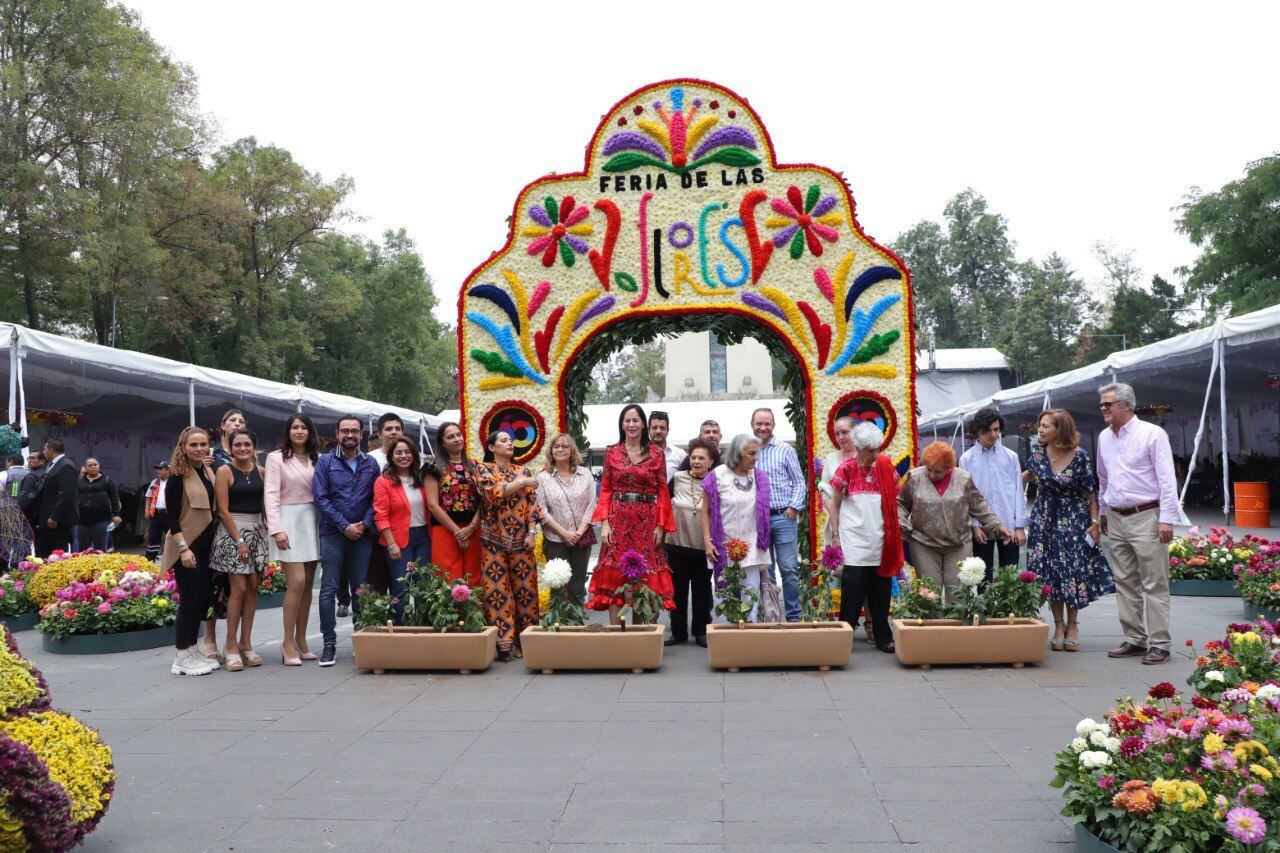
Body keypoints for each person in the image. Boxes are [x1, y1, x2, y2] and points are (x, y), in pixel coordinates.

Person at [1096, 382, 1180, 666]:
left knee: (1154, 582)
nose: (1103, 409)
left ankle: (1160, 644)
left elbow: (1168, 480)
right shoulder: (1104, 438)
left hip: (1147, 515)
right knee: (1124, 580)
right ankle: (1134, 638)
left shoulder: (1152, 434)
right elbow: (1103, 478)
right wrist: (1104, 512)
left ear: (1127, 405)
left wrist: (1167, 519)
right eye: (1102, 404)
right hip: (1117, 517)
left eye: (1108, 404)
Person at [1024, 409, 1114, 653]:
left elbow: (1090, 494)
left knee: (1071, 572)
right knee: (1050, 573)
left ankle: (1073, 625)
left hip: (1073, 520)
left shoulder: (1080, 456)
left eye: (1045, 426)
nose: (1040, 430)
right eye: (1040, 425)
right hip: (1044, 521)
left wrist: (1095, 524)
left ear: (1059, 430)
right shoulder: (1039, 454)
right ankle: (1058, 625)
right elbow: (1020, 479)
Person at [588, 404, 676, 622]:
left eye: (636, 420)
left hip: (647, 521)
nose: (631, 425)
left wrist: (660, 525)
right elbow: (606, 489)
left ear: (643, 424)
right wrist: (605, 523)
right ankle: (617, 639)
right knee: (616, 578)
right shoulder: (612, 452)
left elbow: (663, 490)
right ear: (622, 424)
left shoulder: (656, 453)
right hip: (618, 520)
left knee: (644, 580)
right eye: (627, 420)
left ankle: (640, 638)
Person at [830, 422, 905, 654]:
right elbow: (835, 502)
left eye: (877, 449)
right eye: (870, 450)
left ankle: (883, 636)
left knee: (881, 588)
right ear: (859, 447)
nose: (875, 454)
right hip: (854, 535)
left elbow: (895, 496)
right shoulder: (847, 468)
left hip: (880, 534)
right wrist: (835, 535)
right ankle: (844, 635)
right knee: (853, 586)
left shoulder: (884, 465)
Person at [312, 415, 379, 667]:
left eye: (354, 431)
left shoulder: (371, 464)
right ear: (337, 433)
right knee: (328, 589)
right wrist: (344, 525)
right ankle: (329, 644)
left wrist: (364, 524)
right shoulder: (326, 462)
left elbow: (376, 499)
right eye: (345, 431)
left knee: (360, 588)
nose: (350, 435)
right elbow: (320, 498)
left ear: (361, 434)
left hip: (362, 535)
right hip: (333, 534)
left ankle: (360, 640)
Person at [899, 441, 1010, 589]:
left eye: (937, 471)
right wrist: (902, 524)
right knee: (930, 594)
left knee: (958, 594)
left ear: (949, 468)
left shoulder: (963, 478)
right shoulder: (915, 477)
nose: (932, 475)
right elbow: (901, 503)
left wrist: (998, 525)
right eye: (929, 469)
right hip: (923, 544)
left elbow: (979, 506)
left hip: (959, 544)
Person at [476, 430, 540, 660]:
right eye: (503, 440)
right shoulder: (484, 470)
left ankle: (528, 642)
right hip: (493, 542)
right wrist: (521, 482)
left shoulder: (523, 470)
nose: (509, 443)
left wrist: (532, 532)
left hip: (522, 540)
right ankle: (504, 645)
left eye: (511, 440)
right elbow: (493, 494)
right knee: (497, 593)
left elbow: (534, 505)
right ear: (492, 448)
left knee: (526, 592)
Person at [163, 427, 220, 676]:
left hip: (207, 545)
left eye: (203, 444)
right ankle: (181, 654)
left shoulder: (207, 471)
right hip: (187, 545)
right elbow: (172, 517)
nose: (199, 449)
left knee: (201, 599)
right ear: (183, 447)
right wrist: (183, 548)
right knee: (188, 600)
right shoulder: (177, 475)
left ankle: (192, 649)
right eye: (193, 445)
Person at [265, 415, 321, 666]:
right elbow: (271, 495)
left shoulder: (316, 458)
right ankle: (287, 641)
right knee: (296, 582)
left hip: (312, 521)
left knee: (308, 585)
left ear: (310, 432)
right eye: (295, 427)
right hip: (288, 522)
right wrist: (277, 529)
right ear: (288, 431)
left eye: (304, 428)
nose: (299, 431)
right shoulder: (276, 458)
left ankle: (301, 639)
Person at [700, 434, 775, 621]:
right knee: (726, 598)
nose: (755, 458)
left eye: (756, 453)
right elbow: (705, 512)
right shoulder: (717, 475)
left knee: (751, 598)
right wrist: (708, 543)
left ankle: (749, 642)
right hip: (724, 547)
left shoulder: (759, 478)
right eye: (751, 453)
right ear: (738, 453)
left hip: (752, 547)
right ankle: (726, 642)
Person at [210, 429, 267, 671]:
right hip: (233, 531)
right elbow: (222, 510)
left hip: (257, 530)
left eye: (247, 444)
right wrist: (238, 541)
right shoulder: (224, 471)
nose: (243, 448)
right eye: (238, 445)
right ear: (230, 447)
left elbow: (266, 505)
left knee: (253, 587)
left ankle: (246, 643)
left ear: (254, 446)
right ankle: (230, 645)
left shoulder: (261, 472)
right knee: (238, 589)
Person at [959, 407, 1028, 579]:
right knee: (983, 579)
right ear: (977, 431)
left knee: (1010, 580)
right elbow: (966, 497)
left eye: (996, 429)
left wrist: (1019, 527)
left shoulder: (1011, 457)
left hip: (1009, 524)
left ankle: (1008, 608)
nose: (993, 434)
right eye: (987, 430)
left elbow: (1019, 492)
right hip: (981, 526)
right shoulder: (966, 459)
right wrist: (974, 525)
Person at [751, 408, 805, 621]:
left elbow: (799, 482)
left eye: (767, 423)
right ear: (752, 425)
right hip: (759, 520)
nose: (763, 427)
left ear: (773, 425)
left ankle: (794, 616)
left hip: (784, 517)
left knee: (789, 569)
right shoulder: (749, 451)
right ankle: (771, 616)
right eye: (758, 424)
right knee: (766, 571)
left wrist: (793, 508)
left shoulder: (785, 450)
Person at [666, 437, 718, 645]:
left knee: (702, 590)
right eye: (694, 457)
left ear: (711, 461)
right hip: (677, 543)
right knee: (677, 590)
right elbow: (662, 504)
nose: (696, 461)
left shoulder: (715, 481)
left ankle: (701, 631)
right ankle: (678, 633)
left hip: (703, 545)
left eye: (701, 458)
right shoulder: (677, 478)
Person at [374, 436, 431, 623]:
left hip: (423, 537)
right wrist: (391, 544)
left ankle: (423, 630)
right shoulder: (384, 482)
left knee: (424, 586)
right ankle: (402, 631)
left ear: (414, 455)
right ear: (391, 456)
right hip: (398, 540)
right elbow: (380, 515)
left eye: (407, 452)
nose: (404, 456)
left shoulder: (422, 478)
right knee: (402, 587)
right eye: (399, 452)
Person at [536, 433, 597, 603]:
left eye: (565, 446)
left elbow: (592, 506)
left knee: (577, 586)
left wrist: (578, 532)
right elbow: (542, 511)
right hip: (555, 539)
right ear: (551, 451)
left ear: (572, 451)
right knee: (558, 585)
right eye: (556, 446)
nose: (560, 449)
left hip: (581, 537)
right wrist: (565, 533)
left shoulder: (585, 474)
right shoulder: (543, 478)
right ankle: (558, 627)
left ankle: (577, 626)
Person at [425, 422, 481, 587]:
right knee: (448, 577)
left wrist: (471, 528)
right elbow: (433, 505)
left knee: (474, 575)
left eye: (458, 434)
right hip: (445, 529)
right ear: (442, 443)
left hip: (473, 529)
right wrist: (458, 532)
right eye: (450, 437)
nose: (457, 439)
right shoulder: (432, 467)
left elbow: (483, 500)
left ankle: (472, 613)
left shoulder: (475, 466)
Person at [363, 412, 404, 600]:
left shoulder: (410, 457)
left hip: (404, 529)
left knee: (401, 583)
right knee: (377, 582)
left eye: (397, 429)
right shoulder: (369, 459)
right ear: (380, 435)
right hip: (376, 529)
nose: (394, 432)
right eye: (389, 429)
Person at [32, 439, 77, 557]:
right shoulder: (53, 465)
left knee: (56, 555)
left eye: (45, 449)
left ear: (51, 449)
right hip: (45, 520)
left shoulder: (66, 465)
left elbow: (65, 494)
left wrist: (54, 517)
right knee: (43, 553)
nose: (44, 452)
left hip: (56, 522)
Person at [817, 416, 855, 548]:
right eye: (837, 434)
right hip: (838, 520)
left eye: (845, 432)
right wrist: (835, 531)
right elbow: (824, 489)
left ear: (855, 431)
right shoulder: (831, 459)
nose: (840, 437)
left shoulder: (865, 456)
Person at [73, 458, 121, 552]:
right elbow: (74, 498)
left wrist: (115, 515)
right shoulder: (80, 481)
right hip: (83, 519)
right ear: (85, 468)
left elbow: (114, 499)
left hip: (102, 519)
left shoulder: (107, 480)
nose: (93, 467)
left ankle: (99, 566)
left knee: (100, 546)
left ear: (99, 466)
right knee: (83, 548)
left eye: (95, 465)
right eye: (90, 466)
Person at [143, 460, 171, 562]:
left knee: (171, 537)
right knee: (153, 537)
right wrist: (147, 511)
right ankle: (150, 560)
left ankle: (170, 560)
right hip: (156, 514)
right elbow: (148, 497)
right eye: (157, 469)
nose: (158, 471)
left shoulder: (174, 481)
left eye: (161, 469)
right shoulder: (155, 482)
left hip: (170, 515)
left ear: (168, 470)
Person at [648, 410, 686, 483]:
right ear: (648, 430)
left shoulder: (679, 454)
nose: (658, 431)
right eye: (654, 428)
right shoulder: (640, 453)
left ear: (668, 430)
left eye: (662, 428)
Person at [15, 450, 44, 521]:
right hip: (44, 516)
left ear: (42, 461)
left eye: (32, 458)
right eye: (29, 459)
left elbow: (23, 501)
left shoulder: (31, 476)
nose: (29, 461)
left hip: (31, 518)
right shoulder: (49, 473)